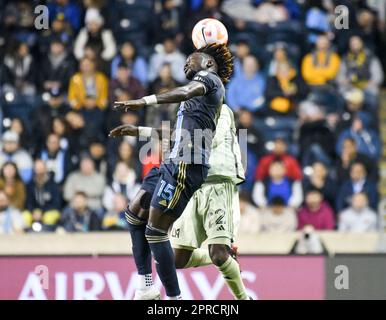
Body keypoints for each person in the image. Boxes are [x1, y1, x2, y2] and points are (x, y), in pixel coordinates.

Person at [112, 43, 233, 300]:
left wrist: (144, 101)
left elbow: (185, 91)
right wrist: (139, 132)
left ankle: (175, 299)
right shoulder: (197, 103)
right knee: (134, 215)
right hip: (172, 161)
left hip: (187, 165)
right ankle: (146, 286)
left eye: (192, 58)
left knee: (155, 232)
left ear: (209, 63)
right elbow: (176, 135)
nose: (186, 63)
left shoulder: (210, 80)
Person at [110, 104, 250, 300]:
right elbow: (178, 134)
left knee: (218, 254)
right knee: (176, 259)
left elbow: (208, 139)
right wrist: (141, 131)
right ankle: (226, 256)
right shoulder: (189, 109)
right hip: (191, 184)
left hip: (217, 184)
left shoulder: (222, 110)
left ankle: (243, 297)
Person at [24, 160, 61, 232]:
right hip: (34, 211)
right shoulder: (30, 185)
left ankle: (47, 233)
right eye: (37, 169)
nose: (39, 172)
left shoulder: (53, 184)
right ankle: (27, 234)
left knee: (50, 216)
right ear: (34, 170)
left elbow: (56, 203)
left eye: (41, 169)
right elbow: (28, 202)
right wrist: (33, 212)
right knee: (25, 216)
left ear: (46, 169)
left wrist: (42, 212)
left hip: (48, 210)